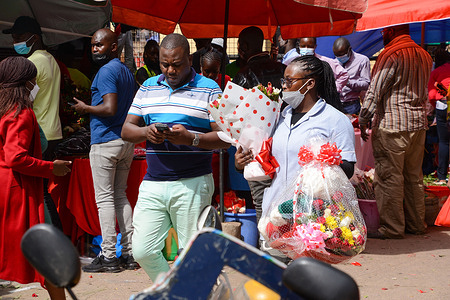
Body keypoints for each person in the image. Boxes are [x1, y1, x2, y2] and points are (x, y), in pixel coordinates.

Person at [121, 33, 230, 281]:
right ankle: (171, 289)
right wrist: (146, 132)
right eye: (164, 63)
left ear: (190, 60)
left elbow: (226, 137)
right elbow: (127, 130)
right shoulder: (147, 87)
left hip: (192, 183)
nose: (170, 70)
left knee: (191, 254)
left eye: (176, 64)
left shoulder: (210, 88)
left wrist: (191, 138)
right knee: (142, 249)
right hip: (153, 182)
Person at [236, 55, 355, 262]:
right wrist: (242, 163)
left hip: (312, 217)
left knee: (305, 280)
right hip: (274, 214)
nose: (284, 86)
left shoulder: (335, 120)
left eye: (289, 81)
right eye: (284, 81)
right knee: (274, 277)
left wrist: (321, 162)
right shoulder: (278, 116)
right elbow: (266, 158)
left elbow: (348, 168)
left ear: (309, 84)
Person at [0, 56, 72, 300]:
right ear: (26, 83)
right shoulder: (20, 112)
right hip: (17, 192)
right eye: (33, 80)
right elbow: (16, 157)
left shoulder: (3, 108)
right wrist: (51, 167)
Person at [359, 25, 433, 239]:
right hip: (417, 124)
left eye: (383, 32)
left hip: (393, 124)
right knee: (413, 177)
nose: (382, 35)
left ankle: (392, 228)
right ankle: (417, 224)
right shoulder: (424, 54)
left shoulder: (391, 54)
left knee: (389, 177)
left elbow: (375, 90)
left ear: (391, 31)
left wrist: (364, 118)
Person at [72, 28, 138, 272]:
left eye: (99, 45)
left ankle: (109, 255)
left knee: (105, 199)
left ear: (113, 47)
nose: (94, 49)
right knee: (119, 195)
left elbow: (109, 108)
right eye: (92, 45)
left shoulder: (106, 71)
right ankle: (130, 253)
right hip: (124, 141)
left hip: (106, 141)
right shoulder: (125, 71)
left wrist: (85, 108)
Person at [3, 16, 64, 229]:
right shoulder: (51, 60)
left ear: (34, 37)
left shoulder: (32, 63)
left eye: (19, 37)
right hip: (52, 129)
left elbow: (23, 100)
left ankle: (54, 239)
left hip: (39, 134)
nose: (15, 42)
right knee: (44, 192)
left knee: (41, 194)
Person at [282, 37, 349, 94]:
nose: (306, 49)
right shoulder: (293, 62)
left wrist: (333, 89)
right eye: (303, 46)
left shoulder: (325, 61)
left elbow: (344, 75)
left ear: (315, 46)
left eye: (309, 46)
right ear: (299, 46)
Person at [428, 48, 450, 184]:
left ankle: (442, 176)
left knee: (444, 141)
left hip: (443, 106)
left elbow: (431, 95)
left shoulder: (436, 72)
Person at [333, 37, 371, 115]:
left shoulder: (362, 60)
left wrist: (347, 82)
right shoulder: (334, 62)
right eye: (337, 56)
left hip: (352, 105)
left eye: (342, 55)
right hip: (336, 105)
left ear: (349, 49)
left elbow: (366, 84)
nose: (340, 58)